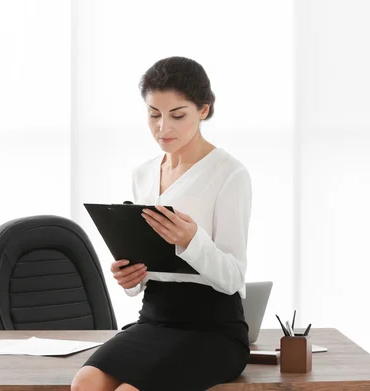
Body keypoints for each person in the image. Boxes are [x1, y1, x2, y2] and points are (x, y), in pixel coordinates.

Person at [71, 56, 252, 391]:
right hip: (154, 319)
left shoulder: (230, 175)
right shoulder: (143, 174)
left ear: (204, 110)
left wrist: (191, 240)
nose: (163, 128)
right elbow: (144, 270)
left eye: (177, 115)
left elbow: (233, 278)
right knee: (85, 382)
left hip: (213, 329)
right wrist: (130, 279)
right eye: (154, 114)